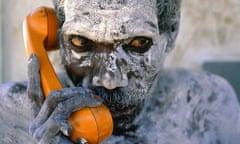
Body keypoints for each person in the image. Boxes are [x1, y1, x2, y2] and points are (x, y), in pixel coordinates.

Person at [0, 0, 239, 143]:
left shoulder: (208, 105)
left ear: (171, 34)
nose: (109, 79)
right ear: (54, 37)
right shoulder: (8, 117)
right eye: (81, 42)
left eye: (138, 44)